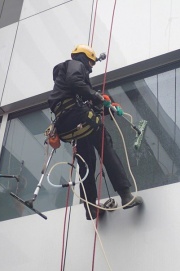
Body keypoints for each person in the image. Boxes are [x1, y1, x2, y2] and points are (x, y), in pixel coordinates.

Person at [47, 44, 143, 220]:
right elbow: (77, 83)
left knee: (86, 163)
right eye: (91, 62)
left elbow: (85, 99)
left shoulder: (63, 86)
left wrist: (108, 107)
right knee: (105, 147)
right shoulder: (75, 65)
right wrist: (97, 96)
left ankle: (90, 208)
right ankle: (125, 194)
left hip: (68, 125)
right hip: (79, 118)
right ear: (84, 57)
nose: (91, 68)